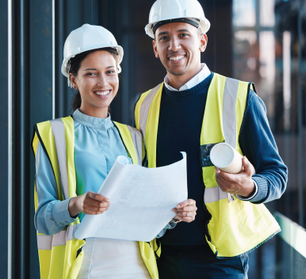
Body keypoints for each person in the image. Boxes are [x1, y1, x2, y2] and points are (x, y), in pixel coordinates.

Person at [134, 0, 288, 279]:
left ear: (202, 40)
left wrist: (248, 187)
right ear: (155, 47)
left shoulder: (240, 97)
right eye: (164, 37)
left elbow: (277, 176)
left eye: (183, 34)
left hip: (220, 262)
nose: (174, 45)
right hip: (159, 258)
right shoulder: (144, 105)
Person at [32, 23, 197, 279]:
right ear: (73, 80)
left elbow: (146, 215)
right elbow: (43, 219)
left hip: (137, 263)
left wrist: (173, 215)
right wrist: (77, 204)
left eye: (110, 72)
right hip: (87, 264)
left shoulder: (133, 136)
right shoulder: (53, 134)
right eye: (91, 74)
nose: (103, 82)